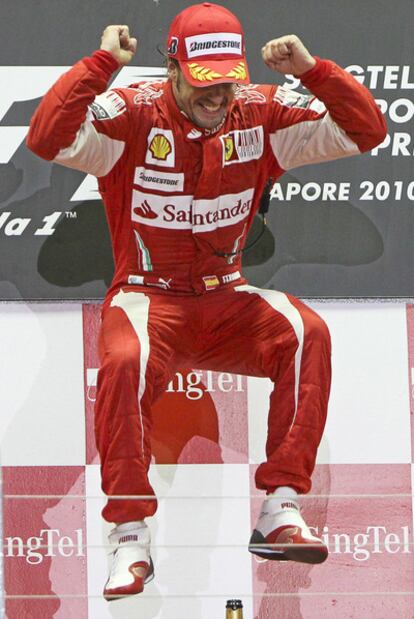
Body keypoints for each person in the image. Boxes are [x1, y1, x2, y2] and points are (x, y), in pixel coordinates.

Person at [27, 2, 386, 601]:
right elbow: (46, 138)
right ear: (172, 68)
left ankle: (280, 507)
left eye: (228, 81)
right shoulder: (130, 115)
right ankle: (130, 536)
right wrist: (99, 66)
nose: (218, 98)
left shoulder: (262, 112)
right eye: (203, 84)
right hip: (147, 297)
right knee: (122, 361)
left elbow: (365, 130)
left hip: (227, 298)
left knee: (306, 332)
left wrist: (315, 71)